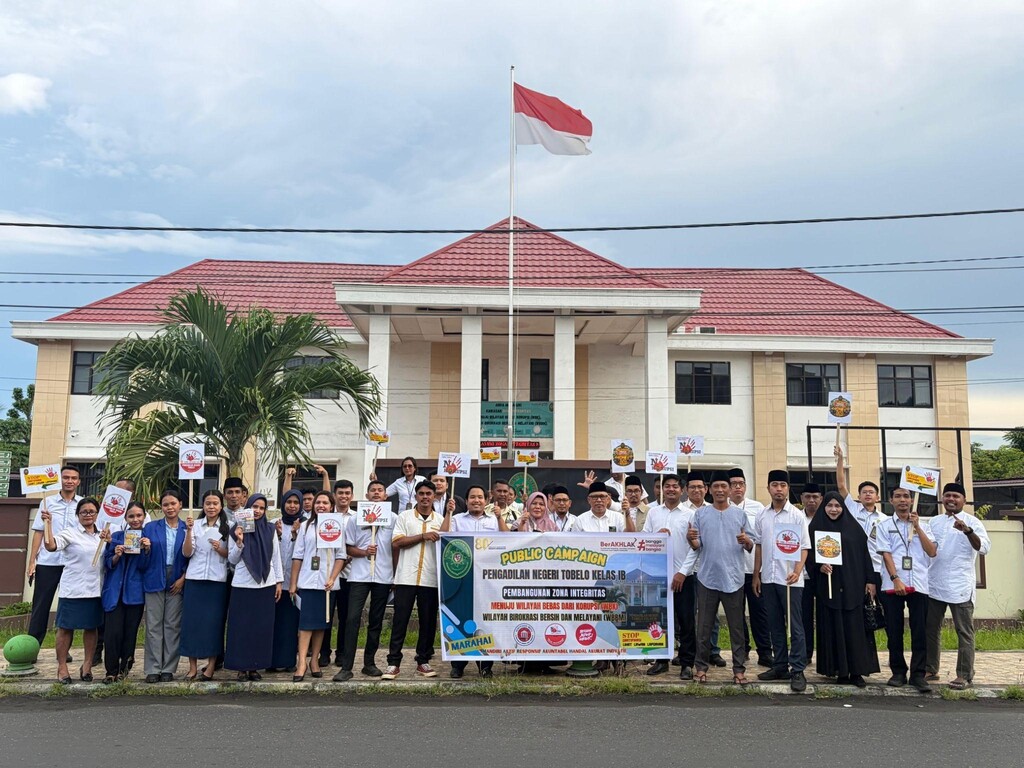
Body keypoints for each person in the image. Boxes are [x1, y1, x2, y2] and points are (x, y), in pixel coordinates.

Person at [686, 471, 756, 685]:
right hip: (707, 577)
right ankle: (700, 668)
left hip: (733, 578)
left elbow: (751, 545)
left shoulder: (739, 515)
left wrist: (746, 541)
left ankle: (739, 670)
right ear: (710, 489)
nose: (719, 490)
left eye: (723, 486)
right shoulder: (701, 514)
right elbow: (697, 546)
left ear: (728, 489)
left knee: (736, 628)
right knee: (704, 628)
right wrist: (691, 540)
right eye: (715, 486)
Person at [809, 492, 879, 687]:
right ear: (824, 508)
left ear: (843, 508)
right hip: (829, 587)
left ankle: (856, 671)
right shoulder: (815, 528)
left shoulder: (854, 529)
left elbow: (865, 556)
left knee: (854, 629)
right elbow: (807, 556)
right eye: (829, 505)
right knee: (834, 627)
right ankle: (839, 670)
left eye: (837, 506)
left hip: (853, 586)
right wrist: (819, 566)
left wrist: (870, 580)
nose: (833, 509)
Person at [925, 482, 991, 690]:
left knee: (964, 632)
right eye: (947, 496)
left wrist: (967, 531)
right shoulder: (933, 522)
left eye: (955, 496)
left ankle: (964, 675)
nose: (951, 499)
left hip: (960, 586)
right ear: (942, 499)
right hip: (934, 583)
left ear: (963, 500)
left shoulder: (973, 522)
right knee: (931, 629)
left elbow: (983, 548)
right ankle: (930, 669)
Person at [442, 484, 510, 679]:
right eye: (472, 497)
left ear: (486, 501)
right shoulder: (456, 519)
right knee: (459, 619)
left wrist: (499, 517)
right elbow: (443, 536)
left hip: (488, 579)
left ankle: (486, 665)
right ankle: (458, 665)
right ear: (467, 500)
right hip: (461, 578)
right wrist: (448, 513)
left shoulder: (494, 520)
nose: (477, 500)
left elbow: (509, 539)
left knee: (486, 621)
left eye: (480, 497)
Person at [41, 496, 110, 684]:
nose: (88, 515)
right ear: (78, 514)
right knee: (65, 629)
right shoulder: (70, 533)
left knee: (91, 628)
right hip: (73, 589)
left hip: (95, 589)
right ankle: (62, 667)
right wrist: (48, 523)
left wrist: (109, 541)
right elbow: (51, 545)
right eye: (84, 512)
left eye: (92, 512)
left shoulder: (103, 535)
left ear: (97, 514)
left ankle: (87, 665)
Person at [753, 470, 811, 692]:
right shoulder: (762, 515)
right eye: (774, 485)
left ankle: (797, 669)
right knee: (774, 624)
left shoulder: (796, 515)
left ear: (788, 489)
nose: (779, 489)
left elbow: (804, 547)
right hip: (768, 577)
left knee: (795, 626)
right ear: (768, 488)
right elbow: (759, 545)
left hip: (790, 580)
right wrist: (756, 574)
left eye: (783, 485)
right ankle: (779, 665)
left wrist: (797, 571)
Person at [876, 486, 936, 693]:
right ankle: (898, 672)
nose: (903, 500)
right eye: (898, 496)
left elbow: (932, 551)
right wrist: (896, 579)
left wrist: (917, 526)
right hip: (892, 584)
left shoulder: (924, 525)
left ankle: (918, 674)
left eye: (906, 496)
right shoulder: (884, 525)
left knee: (920, 630)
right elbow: (886, 554)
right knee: (894, 631)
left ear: (911, 501)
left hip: (919, 583)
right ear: (891, 500)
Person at [336, 480, 396, 681]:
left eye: (380, 490)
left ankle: (369, 663)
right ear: (367, 495)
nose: (377, 493)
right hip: (359, 576)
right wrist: (363, 552)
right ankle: (346, 666)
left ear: (385, 495)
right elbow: (347, 547)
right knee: (352, 618)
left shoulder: (393, 519)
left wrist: (395, 575)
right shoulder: (355, 519)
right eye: (373, 490)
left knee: (376, 621)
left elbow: (396, 548)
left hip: (383, 575)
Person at [384, 481, 443, 680]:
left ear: (434, 496)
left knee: (427, 622)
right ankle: (393, 663)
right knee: (400, 620)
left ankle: (423, 661)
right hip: (405, 577)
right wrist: (423, 536)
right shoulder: (405, 517)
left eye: (429, 493)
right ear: (415, 496)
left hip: (430, 578)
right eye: (421, 493)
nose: (425, 497)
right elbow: (397, 542)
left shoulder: (441, 520)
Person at [642, 474, 698, 679]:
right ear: (661, 489)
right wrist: (656, 536)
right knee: (659, 620)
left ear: (682, 490)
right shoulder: (653, 513)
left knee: (686, 621)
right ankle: (661, 660)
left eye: (675, 486)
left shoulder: (690, 514)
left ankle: (686, 663)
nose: (671, 489)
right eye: (667, 486)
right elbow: (644, 540)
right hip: (658, 576)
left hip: (683, 576)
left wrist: (682, 572)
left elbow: (696, 548)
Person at [226, 493, 283, 681]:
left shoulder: (270, 529)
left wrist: (279, 582)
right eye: (254, 507)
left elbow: (276, 557)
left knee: (261, 628)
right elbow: (232, 560)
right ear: (248, 508)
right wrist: (240, 542)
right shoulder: (236, 528)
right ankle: (241, 667)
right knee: (241, 628)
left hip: (266, 584)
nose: (257, 511)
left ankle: (256, 666)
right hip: (243, 585)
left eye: (261, 508)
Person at [289, 490, 342, 682]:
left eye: (325, 503)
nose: (321, 505)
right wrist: (293, 583)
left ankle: (315, 661)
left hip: (327, 583)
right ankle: (302, 661)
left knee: (322, 624)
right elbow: (298, 555)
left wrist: (332, 577)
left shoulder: (338, 526)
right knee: (305, 624)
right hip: (308, 581)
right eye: (318, 502)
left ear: (331, 506)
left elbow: (341, 556)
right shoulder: (305, 526)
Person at [27, 466, 82, 648]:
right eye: (66, 477)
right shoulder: (47, 502)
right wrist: (32, 561)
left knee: (68, 607)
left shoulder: (82, 505)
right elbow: (38, 533)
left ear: (79, 481)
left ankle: (64, 649)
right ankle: (32, 647)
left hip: (71, 564)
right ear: (60, 479)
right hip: (47, 562)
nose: (70, 481)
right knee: (40, 607)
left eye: (74, 478)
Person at [180, 489, 231, 682]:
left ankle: (210, 667)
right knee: (192, 624)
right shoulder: (195, 525)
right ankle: (192, 667)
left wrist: (221, 549)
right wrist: (189, 531)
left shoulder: (228, 526)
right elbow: (186, 553)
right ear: (203, 505)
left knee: (213, 625)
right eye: (208, 503)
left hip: (217, 581)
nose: (211, 507)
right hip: (195, 580)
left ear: (221, 506)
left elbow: (232, 556)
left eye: (215, 503)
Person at [140, 490, 189, 683]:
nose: (169, 507)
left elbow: (193, 556)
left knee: (172, 625)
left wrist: (183, 579)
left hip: (177, 578)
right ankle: (153, 668)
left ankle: (168, 668)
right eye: (166, 504)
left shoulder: (187, 528)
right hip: (154, 577)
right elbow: (141, 558)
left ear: (180, 505)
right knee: (153, 625)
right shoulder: (150, 528)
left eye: (173, 503)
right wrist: (146, 549)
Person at [728, 468, 772, 668]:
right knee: (736, 614)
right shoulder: (720, 508)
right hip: (731, 571)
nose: (738, 487)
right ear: (727, 488)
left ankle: (765, 652)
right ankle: (742, 650)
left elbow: (762, 538)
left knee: (759, 613)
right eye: (733, 484)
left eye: (741, 483)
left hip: (753, 569)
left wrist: (758, 571)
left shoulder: (758, 508)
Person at [101, 501, 149, 683]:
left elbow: (146, 567)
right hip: (114, 592)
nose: (135, 519)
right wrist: (116, 554)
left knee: (130, 633)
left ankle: (124, 669)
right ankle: (110, 671)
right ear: (125, 518)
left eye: (139, 515)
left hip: (134, 594)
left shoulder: (147, 537)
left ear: (144, 517)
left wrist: (146, 550)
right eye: (131, 516)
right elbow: (107, 563)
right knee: (112, 633)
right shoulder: (116, 536)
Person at [834, 445, 884, 587]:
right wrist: (840, 460)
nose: (867, 494)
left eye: (871, 492)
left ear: (878, 497)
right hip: (854, 564)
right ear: (858, 496)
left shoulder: (885, 519)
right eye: (864, 492)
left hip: (877, 566)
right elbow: (841, 485)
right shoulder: (852, 507)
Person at [319, 479, 356, 667]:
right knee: (326, 614)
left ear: (352, 496)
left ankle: (342, 653)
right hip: (328, 575)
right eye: (340, 493)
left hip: (349, 575)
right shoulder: (325, 517)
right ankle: (323, 652)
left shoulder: (357, 517)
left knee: (345, 617)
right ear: (334, 495)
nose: (344, 496)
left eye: (347, 493)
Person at [269, 489, 304, 673]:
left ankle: (289, 660)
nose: (292, 506)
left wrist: (296, 534)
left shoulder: (305, 525)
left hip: (294, 583)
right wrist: (278, 534)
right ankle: (272, 660)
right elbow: (272, 552)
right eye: (288, 502)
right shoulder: (274, 523)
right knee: (274, 623)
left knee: (291, 625)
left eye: (295, 502)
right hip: (275, 583)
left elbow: (302, 552)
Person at [799, 482, 823, 665]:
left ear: (821, 499)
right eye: (808, 497)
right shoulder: (796, 519)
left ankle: (825, 654)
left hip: (825, 575)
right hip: (802, 576)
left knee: (824, 616)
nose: (811, 500)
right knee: (804, 616)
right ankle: (805, 653)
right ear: (802, 499)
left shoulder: (827, 519)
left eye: (815, 497)